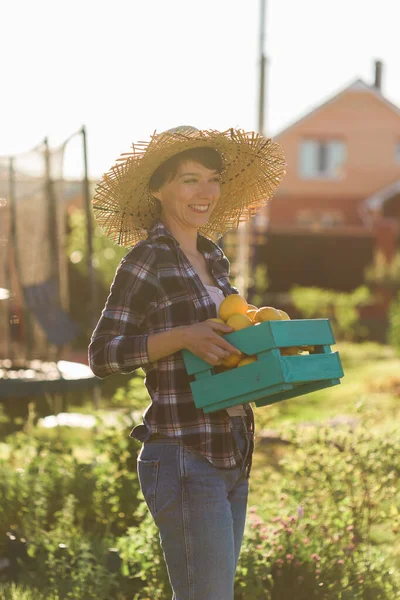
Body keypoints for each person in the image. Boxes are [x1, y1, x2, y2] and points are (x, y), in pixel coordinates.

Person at [88, 126, 285, 600]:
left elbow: (227, 342)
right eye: (189, 180)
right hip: (183, 451)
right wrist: (182, 336)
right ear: (158, 189)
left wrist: (264, 346)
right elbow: (103, 354)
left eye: (213, 179)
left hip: (232, 446)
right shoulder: (147, 259)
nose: (206, 193)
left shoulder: (214, 257)